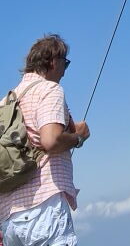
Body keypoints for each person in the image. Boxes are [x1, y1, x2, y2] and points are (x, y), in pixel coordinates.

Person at [0, 35, 90, 246]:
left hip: (9, 220)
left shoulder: (6, 102)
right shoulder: (49, 89)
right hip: (43, 209)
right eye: (65, 63)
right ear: (53, 61)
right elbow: (50, 140)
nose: (65, 70)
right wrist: (78, 137)